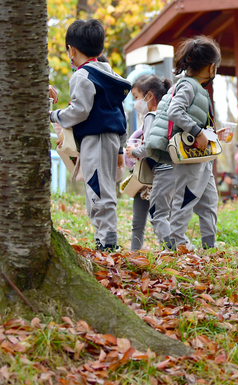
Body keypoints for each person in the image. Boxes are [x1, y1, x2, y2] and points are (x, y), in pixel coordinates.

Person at [49, 19, 131, 251]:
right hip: (112, 138)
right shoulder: (109, 74)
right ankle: (106, 237)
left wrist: (54, 115)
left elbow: (79, 111)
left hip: (95, 139)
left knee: (97, 187)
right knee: (104, 187)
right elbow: (120, 114)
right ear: (101, 49)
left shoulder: (82, 76)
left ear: (71, 50)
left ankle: (106, 242)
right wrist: (120, 148)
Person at [151, 36, 222, 250]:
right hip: (189, 156)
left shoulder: (198, 88)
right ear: (211, 67)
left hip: (201, 157)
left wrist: (209, 132)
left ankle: (210, 244)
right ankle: (178, 242)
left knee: (209, 201)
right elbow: (175, 111)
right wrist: (197, 131)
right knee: (185, 197)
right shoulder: (189, 86)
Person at [125, 75, 173, 251]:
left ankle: (172, 250)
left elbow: (151, 145)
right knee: (162, 216)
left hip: (157, 172)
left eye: (137, 97)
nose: (135, 103)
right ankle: (171, 250)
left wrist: (134, 151)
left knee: (157, 216)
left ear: (149, 96)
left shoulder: (151, 116)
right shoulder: (167, 116)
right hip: (162, 172)